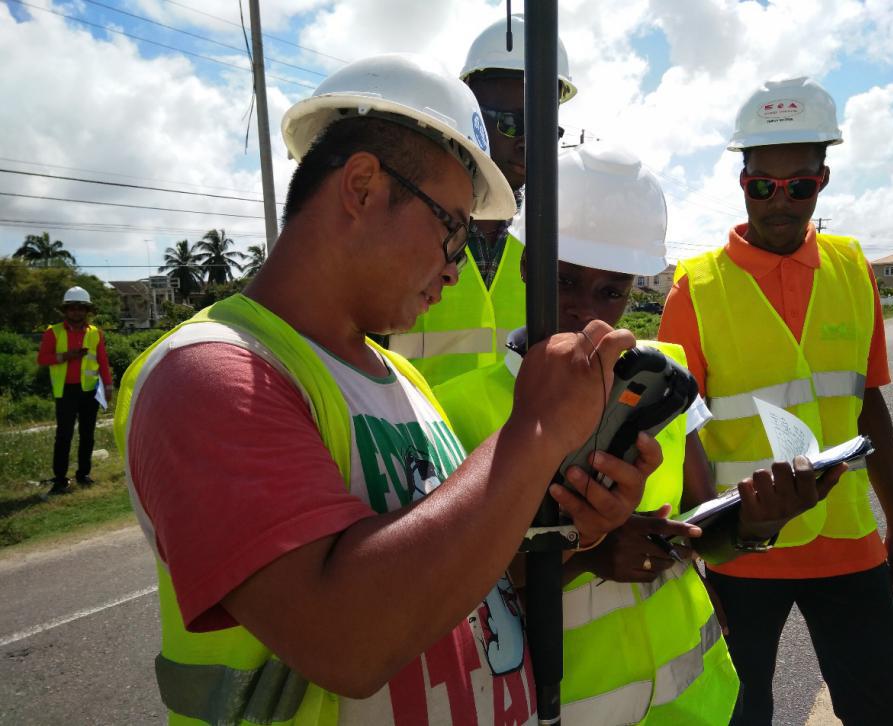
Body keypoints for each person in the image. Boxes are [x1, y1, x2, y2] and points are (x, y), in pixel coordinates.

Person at [114, 54, 653, 726]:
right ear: (363, 187)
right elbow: (347, 642)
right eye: (452, 230)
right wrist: (534, 433)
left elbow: (455, 592)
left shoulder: (401, 379)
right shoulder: (212, 376)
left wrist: (575, 534)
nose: (457, 271)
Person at [434, 143, 845, 725]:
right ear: (527, 269)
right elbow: (452, 602)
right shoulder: (463, 409)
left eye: (611, 291)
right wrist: (587, 552)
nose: (587, 315)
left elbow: (705, 532)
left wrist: (759, 522)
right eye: (565, 283)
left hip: (700, 704)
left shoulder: (669, 380)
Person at [658, 77, 893, 726]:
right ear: (741, 181)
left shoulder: (853, 267)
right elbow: (675, 434)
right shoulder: (695, 288)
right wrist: (696, 553)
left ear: (823, 180)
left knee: (880, 712)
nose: (780, 201)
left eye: (799, 185)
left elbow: (869, 404)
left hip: (847, 540)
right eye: (762, 185)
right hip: (740, 552)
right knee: (737, 716)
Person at [385, 13, 578, 386]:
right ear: (470, 111)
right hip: (419, 443)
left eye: (544, 127)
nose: (529, 142)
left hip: (525, 444)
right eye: (511, 123)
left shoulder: (558, 238)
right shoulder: (407, 224)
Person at [36, 285, 112, 496]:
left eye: (81, 308)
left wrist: (108, 385)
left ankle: (83, 474)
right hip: (66, 392)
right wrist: (65, 356)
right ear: (65, 310)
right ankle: (60, 479)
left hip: (89, 391)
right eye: (72, 308)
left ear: (87, 310)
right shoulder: (54, 332)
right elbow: (42, 359)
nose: (76, 311)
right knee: (64, 436)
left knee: (87, 435)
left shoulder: (95, 333)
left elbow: (102, 361)